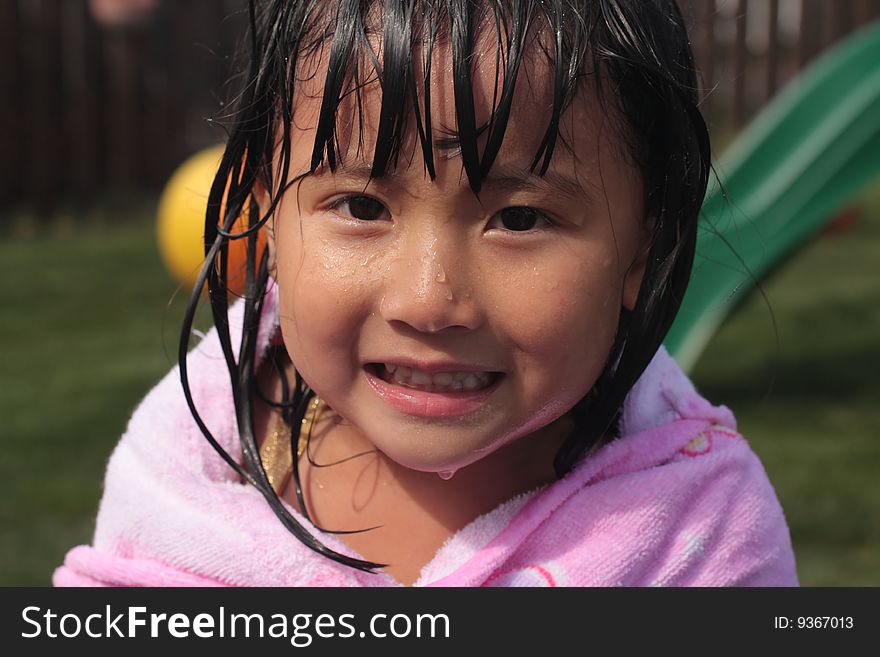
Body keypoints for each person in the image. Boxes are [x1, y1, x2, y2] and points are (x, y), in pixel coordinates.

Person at [55, 0, 798, 587]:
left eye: (520, 218)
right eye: (361, 207)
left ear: (645, 246)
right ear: (268, 218)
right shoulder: (194, 474)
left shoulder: (696, 532)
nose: (428, 300)